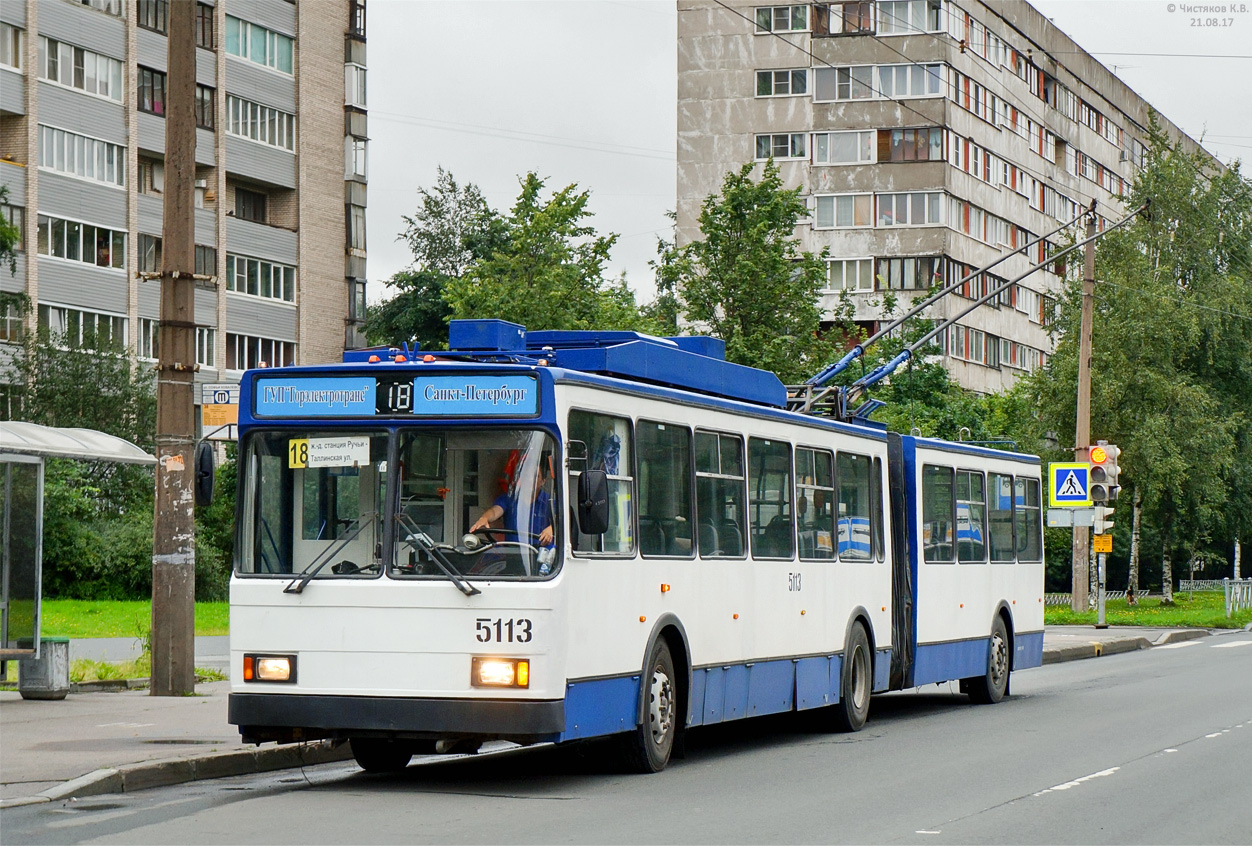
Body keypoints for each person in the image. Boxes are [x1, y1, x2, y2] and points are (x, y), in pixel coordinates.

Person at [470, 461, 554, 547]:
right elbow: (495, 511)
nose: (529, 479)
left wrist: (552, 529)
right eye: (526, 475)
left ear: (543, 481)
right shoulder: (509, 498)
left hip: (543, 555)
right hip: (513, 554)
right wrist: (484, 518)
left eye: (535, 476)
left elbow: (564, 518)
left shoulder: (550, 501)